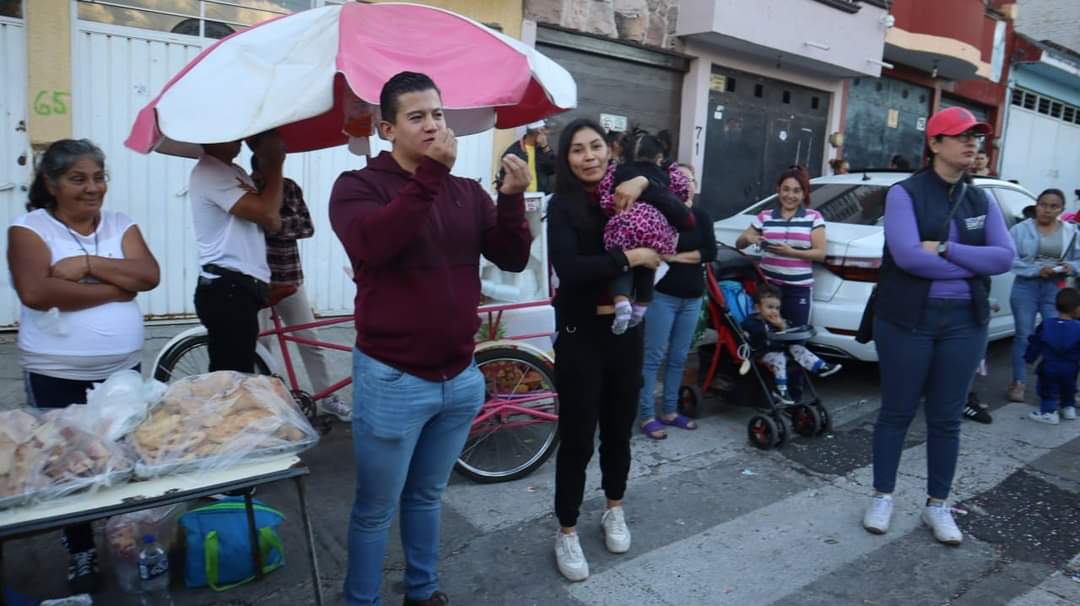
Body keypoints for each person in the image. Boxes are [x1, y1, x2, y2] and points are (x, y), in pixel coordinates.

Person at [328, 71, 532, 606]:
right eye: (416, 117)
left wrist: (511, 201)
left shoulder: (465, 192)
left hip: (459, 376)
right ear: (386, 129)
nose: (432, 126)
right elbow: (376, 244)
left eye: (438, 114)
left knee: (427, 497)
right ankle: (361, 600)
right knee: (376, 509)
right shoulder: (357, 188)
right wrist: (431, 177)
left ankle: (423, 591)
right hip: (393, 377)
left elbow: (509, 256)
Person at [7, 139, 160, 593]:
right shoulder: (30, 229)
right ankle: (81, 551)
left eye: (98, 177)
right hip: (57, 373)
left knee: (123, 456)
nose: (92, 188)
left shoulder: (120, 224)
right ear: (50, 184)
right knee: (67, 464)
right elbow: (36, 292)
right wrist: (118, 286)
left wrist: (89, 265)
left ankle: (125, 538)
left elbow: (149, 275)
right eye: (78, 179)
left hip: (120, 371)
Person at [861, 106, 1015, 545]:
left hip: (965, 324)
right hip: (908, 321)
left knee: (947, 419)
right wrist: (972, 266)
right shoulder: (904, 194)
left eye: (978, 137)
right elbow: (908, 257)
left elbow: (1004, 258)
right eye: (962, 135)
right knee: (896, 413)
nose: (973, 144)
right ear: (934, 144)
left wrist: (947, 250)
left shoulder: (980, 199)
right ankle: (883, 496)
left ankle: (937, 505)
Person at [546, 118, 663, 582]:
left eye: (596, 147)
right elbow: (571, 269)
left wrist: (642, 180)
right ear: (566, 158)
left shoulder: (628, 191)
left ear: (609, 151)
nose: (589, 156)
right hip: (579, 335)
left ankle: (614, 507)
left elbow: (684, 214)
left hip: (625, 336)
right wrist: (630, 258)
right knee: (577, 439)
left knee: (618, 431)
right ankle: (567, 529)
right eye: (578, 150)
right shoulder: (563, 205)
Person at [248, 152, 351, 422]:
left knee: (310, 341)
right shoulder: (246, 190)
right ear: (258, 168)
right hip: (256, 282)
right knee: (261, 345)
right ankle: (269, 407)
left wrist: (271, 223)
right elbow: (245, 229)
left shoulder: (290, 186)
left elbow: (307, 227)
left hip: (290, 279)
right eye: (271, 165)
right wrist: (277, 223)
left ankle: (328, 398)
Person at [190, 132, 284, 373]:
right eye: (229, 131)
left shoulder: (235, 171)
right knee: (231, 384)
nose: (239, 137)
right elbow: (269, 215)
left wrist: (268, 165)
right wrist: (274, 164)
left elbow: (274, 223)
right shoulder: (211, 172)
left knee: (237, 377)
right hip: (227, 288)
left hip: (241, 286)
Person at [638, 163, 716, 440]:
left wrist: (676, 256)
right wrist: (680, 254)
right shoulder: (660, 215)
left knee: (679, 358)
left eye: (691, 179)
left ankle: (669, 411)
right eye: (681, 178)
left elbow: (709, 252)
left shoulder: (702, 216)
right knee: (653, 357)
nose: (687, 183)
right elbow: (655, 249)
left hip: (692, 297)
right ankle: (646, 414)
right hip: (663, 297)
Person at [598, 133, 692, 333]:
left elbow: (605, 193)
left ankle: (622, 302)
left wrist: (610, 208)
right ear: (659, 157)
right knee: (648, 264)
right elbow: (683, 190)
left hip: (625, 221)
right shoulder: (665, 174)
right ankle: (641, 306)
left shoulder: (617, 170)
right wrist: (670, 167)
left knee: (623, 263)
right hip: (655, 227)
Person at [1005, 188, 1078, 403]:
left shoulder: (1071, 232)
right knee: (1024, 335)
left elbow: (1079, 260)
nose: (1046, 210)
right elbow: (1008, 259)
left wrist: (1070, 266)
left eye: (1053, 206)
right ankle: (1018, 382)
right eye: (1043, 204)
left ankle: (1056, 386)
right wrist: (1036, 270)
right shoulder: (1020, 230)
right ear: (1036, 205)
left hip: (1055, 289)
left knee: (1056, 337)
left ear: (1062, 210)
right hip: (1025, 287)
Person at [735, 166, 826, 327]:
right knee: (767, 335)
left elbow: (820, 254)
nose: (790, 195)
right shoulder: (765, 216)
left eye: (796, 191)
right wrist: (749, 238)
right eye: (786, 189)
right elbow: (739, 243)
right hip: (769, 289)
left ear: (804, 193)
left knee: (796, 335)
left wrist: (792, 253)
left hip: (799, 289)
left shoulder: (814, 217)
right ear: (778, 190)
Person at [740, 284, 840, 404]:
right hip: (764, 352)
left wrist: (782, 326)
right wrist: (770, 327)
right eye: (770, 307)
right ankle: (780, 390)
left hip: (782, 349)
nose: (774, 311)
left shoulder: (779, 320)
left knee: (798, 348)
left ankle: (820, 367)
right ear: (758, 307)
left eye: (777, 308)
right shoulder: (751, 322)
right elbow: (754, 333)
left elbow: (790, 330)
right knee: (779, 359)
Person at [1023, 287, 1080, 424]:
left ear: (1056, 306)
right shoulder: (1078, 328)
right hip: (1071, 367)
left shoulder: (1046, 325)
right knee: (1069, 386)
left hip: (1049, 366)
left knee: (1047, 389)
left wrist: (1029, 358)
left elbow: (1036, 343)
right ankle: (1068, 408)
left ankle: (1049, 412)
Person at [496, 119, 554, 194]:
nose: (546, 135)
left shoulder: (542, 149)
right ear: (539, 132)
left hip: (541, 196)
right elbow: (505, 179)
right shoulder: (513, 151)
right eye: (544, 133)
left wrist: (545, 147)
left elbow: (554, 169)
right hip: (521, 197)